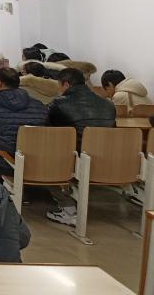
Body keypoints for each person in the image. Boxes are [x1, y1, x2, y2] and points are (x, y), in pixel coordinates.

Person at [45, 67, 117, 228]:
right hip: (106, 161)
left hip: (72, 161)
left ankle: (68, 208)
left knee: (44, 157)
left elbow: (45, 128)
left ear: (66, 84)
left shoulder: (59, 103)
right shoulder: (108, 105)